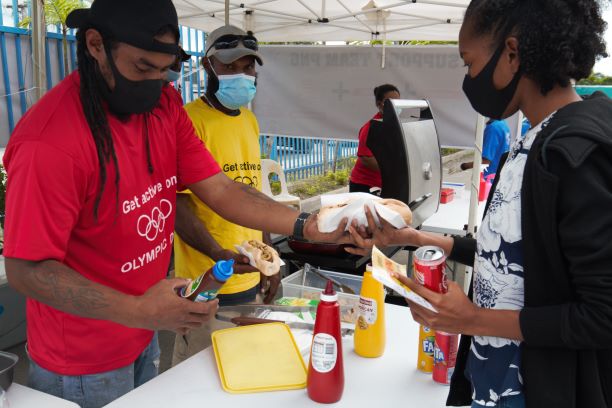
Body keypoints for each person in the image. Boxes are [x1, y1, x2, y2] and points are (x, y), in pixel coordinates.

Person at [2, 1, 345, 407]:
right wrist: (138, 310)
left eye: (164, 69)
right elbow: (26, 270)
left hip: (145, 332)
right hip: (81, 362)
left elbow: (222, 190)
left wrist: (309, 225)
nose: (156, 82)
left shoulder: (161, 107)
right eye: (143, 68)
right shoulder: (51, 142)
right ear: (95, 45)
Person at [347, 0, 611, 407]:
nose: (468, 78)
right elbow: (516, 256)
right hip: (489, 374)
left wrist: (470, 318)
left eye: (468, 63)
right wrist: (417, 237)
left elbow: (602, 315)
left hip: (537, 389)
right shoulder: (533, 140)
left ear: (511, 52)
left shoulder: (574, 155)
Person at [171, 25, 275, 365]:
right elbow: (178, 203)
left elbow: (254, 195)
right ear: (208, 67)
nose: (241, 75)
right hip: (207, 279)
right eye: (229, 67)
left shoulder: (248, 120)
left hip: (248, 275)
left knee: (244, 367)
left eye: (247, 67)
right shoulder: (188, 120)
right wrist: (219, 255)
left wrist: (267, 260)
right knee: (199, 371)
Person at [349, 84, 400, 193]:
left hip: (384, 183)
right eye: (391, 102)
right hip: (364, 185)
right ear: (379, 104)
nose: (396, 105)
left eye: (398, 102)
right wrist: (391, 170)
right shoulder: (371, 128)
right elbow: (366, 158)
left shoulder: (395, 125)